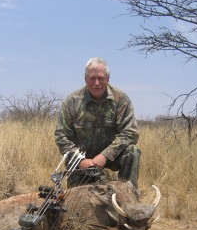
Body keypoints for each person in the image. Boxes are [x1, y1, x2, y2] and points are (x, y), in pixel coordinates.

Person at [54, 57, 141, 188]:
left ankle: (129, 196)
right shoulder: (72, 101)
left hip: (111, 157)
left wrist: (105, 155)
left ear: (108, 78)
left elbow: (130, 133)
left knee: (132, 151)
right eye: (92, 78)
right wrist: (80, 160)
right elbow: (61, 136)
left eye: (100, 78)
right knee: (74, 202)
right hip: (81, 161)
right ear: (85, 78)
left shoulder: (121, 99)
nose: (96, 83)